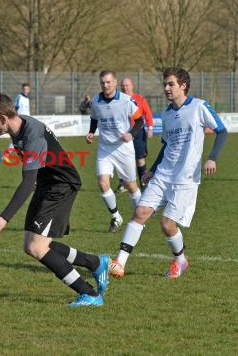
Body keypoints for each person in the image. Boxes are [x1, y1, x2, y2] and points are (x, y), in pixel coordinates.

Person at [0, 93, 109, 307]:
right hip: (46, 184)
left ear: (3, 118)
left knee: (37, 247)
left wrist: (4, 218)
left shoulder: (33, 136)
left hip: (60, 186)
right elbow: (32, 179)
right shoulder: (18, 128)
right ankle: (95, 262)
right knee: (31, 245)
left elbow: (27, 181)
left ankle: (89, 294)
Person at [109, 67, 228, 279]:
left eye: (171, 84)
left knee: (166, 224)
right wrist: (152, 170)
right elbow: (166, 146)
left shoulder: (199, 106)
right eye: (165, 84)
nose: (166, 88)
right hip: (163, 174)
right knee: (140, 213)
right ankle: (119, 262)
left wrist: (212, 157)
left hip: (186, 178)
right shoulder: (166, 114)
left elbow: (222, 131)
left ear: (183, 85)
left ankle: (180, 260)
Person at [85, 70, 143, 233]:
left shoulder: (126, 101)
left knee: (130, 186)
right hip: (105, 148)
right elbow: (95, 118)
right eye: (103, 82)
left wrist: (131, 134)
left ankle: (140, 217)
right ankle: (116, 217)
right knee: (103, 183)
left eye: (108, 82)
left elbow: (140, 121)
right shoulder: (96, 101)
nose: (105, 85)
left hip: (123, 149)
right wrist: (91, 131)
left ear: (115, 82)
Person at [115, 78, 154, 193]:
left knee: (139, 159)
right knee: (121, 158)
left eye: (127, 85)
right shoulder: (117, 100)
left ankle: (143, 182)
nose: (125, 87)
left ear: (132, 86)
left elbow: (147, 113)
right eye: (123, 85)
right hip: (123, 133)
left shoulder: (140, 99)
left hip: (137, 132)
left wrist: (150, 128)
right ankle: (123, 183)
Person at [4, 83, 31, 160]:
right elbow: (15, 107)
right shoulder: (19, 97)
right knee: (18, 137)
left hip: (27, 120)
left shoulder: (27, 99)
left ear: (29, 90)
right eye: (24, 89)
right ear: (22, 89)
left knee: (24, 138)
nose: (25, 91)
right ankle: (8, 154)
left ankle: (23, 154)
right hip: (20, 120)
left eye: (27, 89)